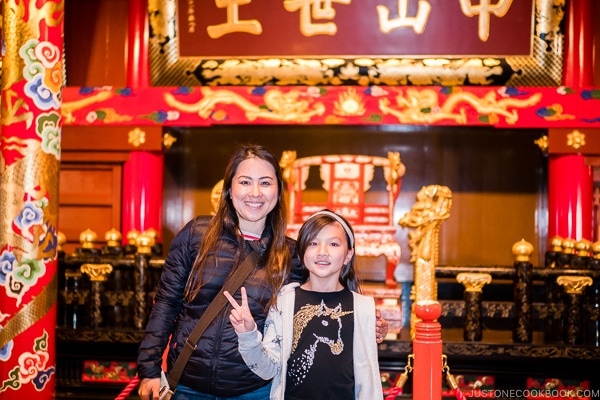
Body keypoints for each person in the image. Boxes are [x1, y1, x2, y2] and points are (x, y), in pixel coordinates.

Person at [137, 144, 388, 400]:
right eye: (245, 182)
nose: (255, 193)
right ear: (229, 189)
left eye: (265, 183)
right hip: (188, 385)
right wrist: (149, 369)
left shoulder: (291, 255)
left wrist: (367, 323)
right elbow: (166, 303)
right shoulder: (196, 235)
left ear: (278, 192)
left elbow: (326, 299)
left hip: (254, 389)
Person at [225, 210, 383, 400]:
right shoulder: (284, 302)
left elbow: (368, 378)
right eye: (313, 243)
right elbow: (267, 369)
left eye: (333, 244)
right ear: (301, 252)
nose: (322, 252)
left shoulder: (363, 308)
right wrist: (248, 335)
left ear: (348, 255)